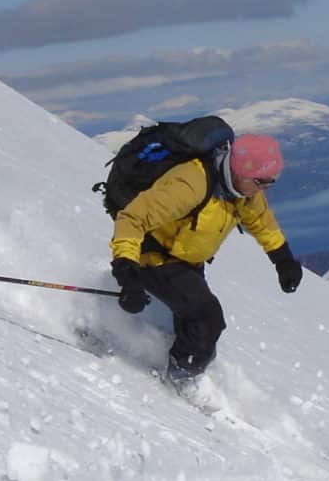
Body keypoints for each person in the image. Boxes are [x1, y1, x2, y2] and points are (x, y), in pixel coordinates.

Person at [108, 133, 303, 380]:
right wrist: (127, 274)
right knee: (207, 318)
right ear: (241, 172)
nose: (263, 189)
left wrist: (283, 259)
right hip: (154, 258)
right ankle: (180, 379)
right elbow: (132, 218)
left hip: (187, 260)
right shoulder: (190, 185)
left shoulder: (244, 189)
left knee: (194, 320)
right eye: (262, 183)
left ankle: (177, 364)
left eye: (269, 183)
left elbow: (261, 221)